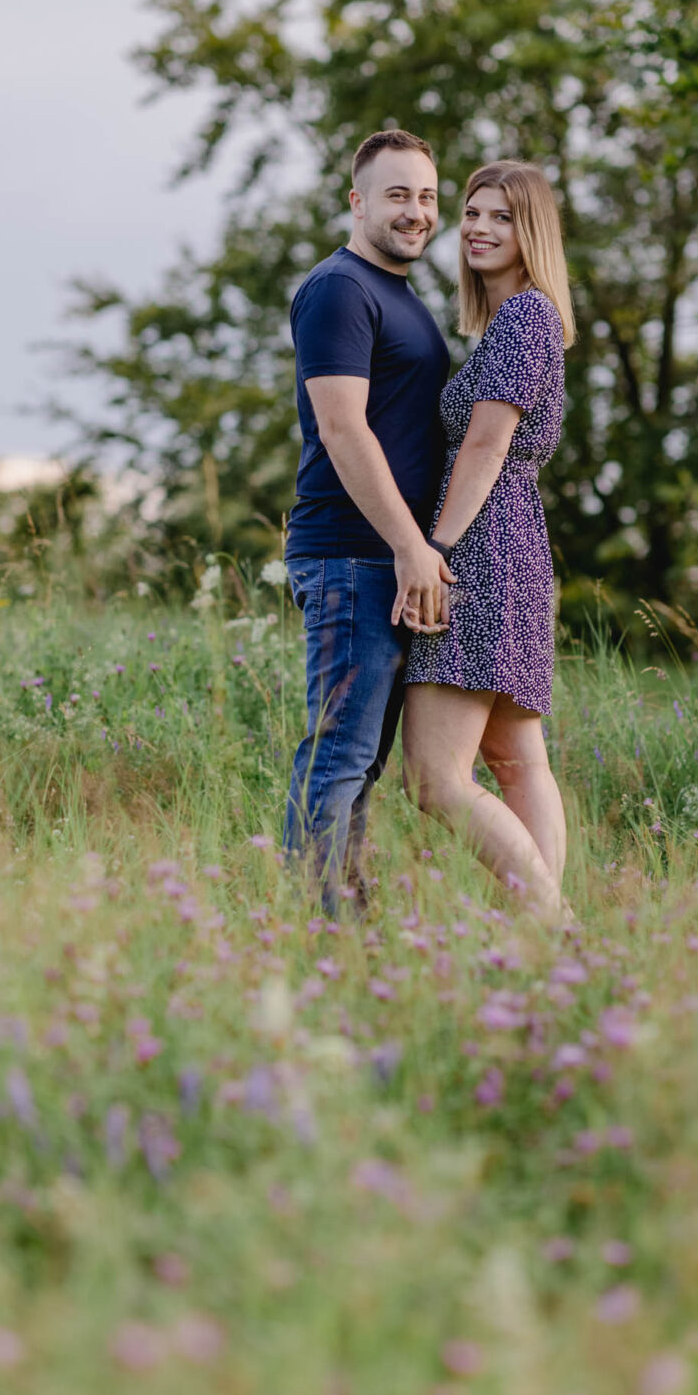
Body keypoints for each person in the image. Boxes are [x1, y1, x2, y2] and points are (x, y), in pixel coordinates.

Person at [283, 129, 453, 912]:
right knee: (339, 755)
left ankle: (345, 922)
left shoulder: (402, 296)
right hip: (353, 556)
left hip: (385, 561)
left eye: (425, 196)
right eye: (396, 195)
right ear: (356, 202)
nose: (416, 212)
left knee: (364, 762)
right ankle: (314, 929)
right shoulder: (338, 289)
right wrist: (408, 545)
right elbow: (342, 429)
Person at [402, 160, 574, 919]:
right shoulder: (515, 322)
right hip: (513, 543)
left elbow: (484, 447)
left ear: (529, 230)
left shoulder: (526, 318)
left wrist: (432, 551)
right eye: (470, 212)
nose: (476, 226)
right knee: (514, 759)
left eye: (500, 216)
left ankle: (553, 926)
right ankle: (546, 948)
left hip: (480, 543)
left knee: (434, 778)